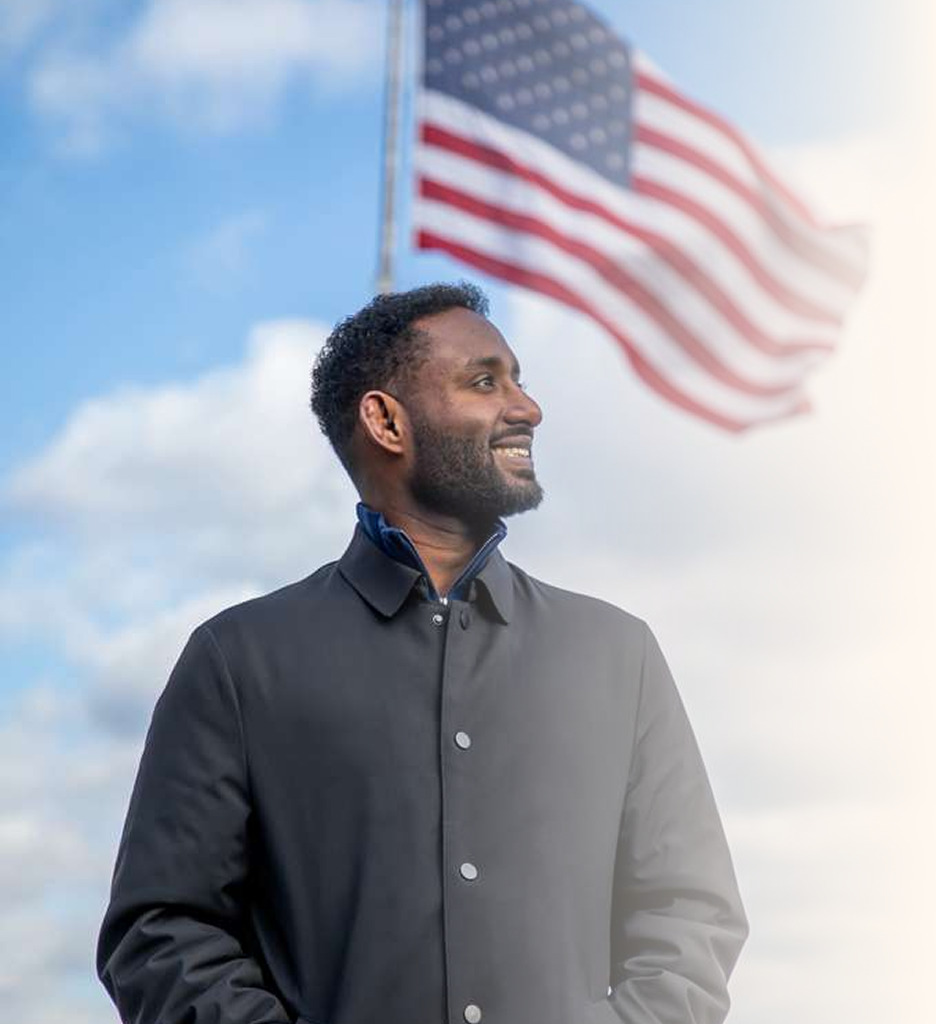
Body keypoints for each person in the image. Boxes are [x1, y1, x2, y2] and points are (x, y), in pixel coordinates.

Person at [97, 282, 747, 1024]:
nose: (526, 407)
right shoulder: (236, 661)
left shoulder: (617, 654)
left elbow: (691, 919)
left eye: (518, 379)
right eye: (484, 381)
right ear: (385, 421)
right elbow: (160, 935)